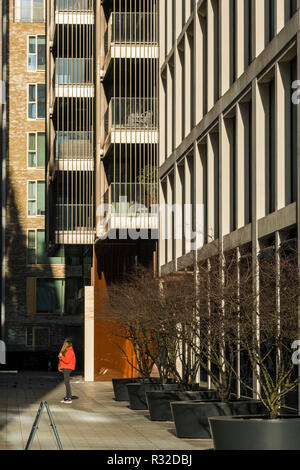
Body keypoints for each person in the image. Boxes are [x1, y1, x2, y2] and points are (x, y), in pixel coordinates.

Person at [58, 338, 76, 404]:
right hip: (65, 367)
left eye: (64, 344)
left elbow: (67, 361)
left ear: (66, 344)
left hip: (68, 368)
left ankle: (69, 398)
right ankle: (67, 397)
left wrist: (61, 357)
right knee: (66, 382)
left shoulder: (70, 351)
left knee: (67, 382)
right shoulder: (67, 350)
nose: (63, 345)